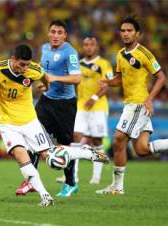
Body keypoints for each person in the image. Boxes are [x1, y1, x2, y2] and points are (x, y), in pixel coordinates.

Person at [0, 44, 109, 206]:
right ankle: (45, 196)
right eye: (22, 64)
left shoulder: (34, 69)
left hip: (30, 122)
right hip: (8, 124)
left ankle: (87, 153)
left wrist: (46, 86)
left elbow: (45, 77)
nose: (25, 68)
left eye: (27, 64)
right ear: (13, 59)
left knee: (50, 158)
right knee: (21, 156)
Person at [96, 16, 168, 195]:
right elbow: (120, 79)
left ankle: (117, 187)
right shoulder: (120, 54)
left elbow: (161, 77)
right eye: (123, 31)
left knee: (118, 141)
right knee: (142, 150)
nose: (126, 34)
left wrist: (149, 99)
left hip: (138, 104)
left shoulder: (144, 53)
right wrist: (108, 82)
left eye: (129, 31)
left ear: (137, 33)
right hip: (130, 104)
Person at [15, 20, 82, 197]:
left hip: (65, 104)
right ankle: (30, 181)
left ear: (65, 35)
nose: (56, 35)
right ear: (48, 33)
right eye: (53, 32)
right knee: (33, 137)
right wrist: (45, 85)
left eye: (60, 32)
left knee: (64, 145)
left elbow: (77, 78)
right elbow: (45, 73)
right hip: (46, 101)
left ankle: (70, 183)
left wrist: (54, 79)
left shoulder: (70, 52)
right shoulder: (44, 49)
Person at [73, 36, 113, 185]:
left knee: (97, 140)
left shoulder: (104, 64)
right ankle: (72, 175)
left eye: (91, 45)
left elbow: (107, 85)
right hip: (81, 106)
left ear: (96, 47)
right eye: (86, 44)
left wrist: (94, 98)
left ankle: (96, 177)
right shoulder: (78, 64)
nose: (88, 47)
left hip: (98, 106)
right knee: (76, 137)